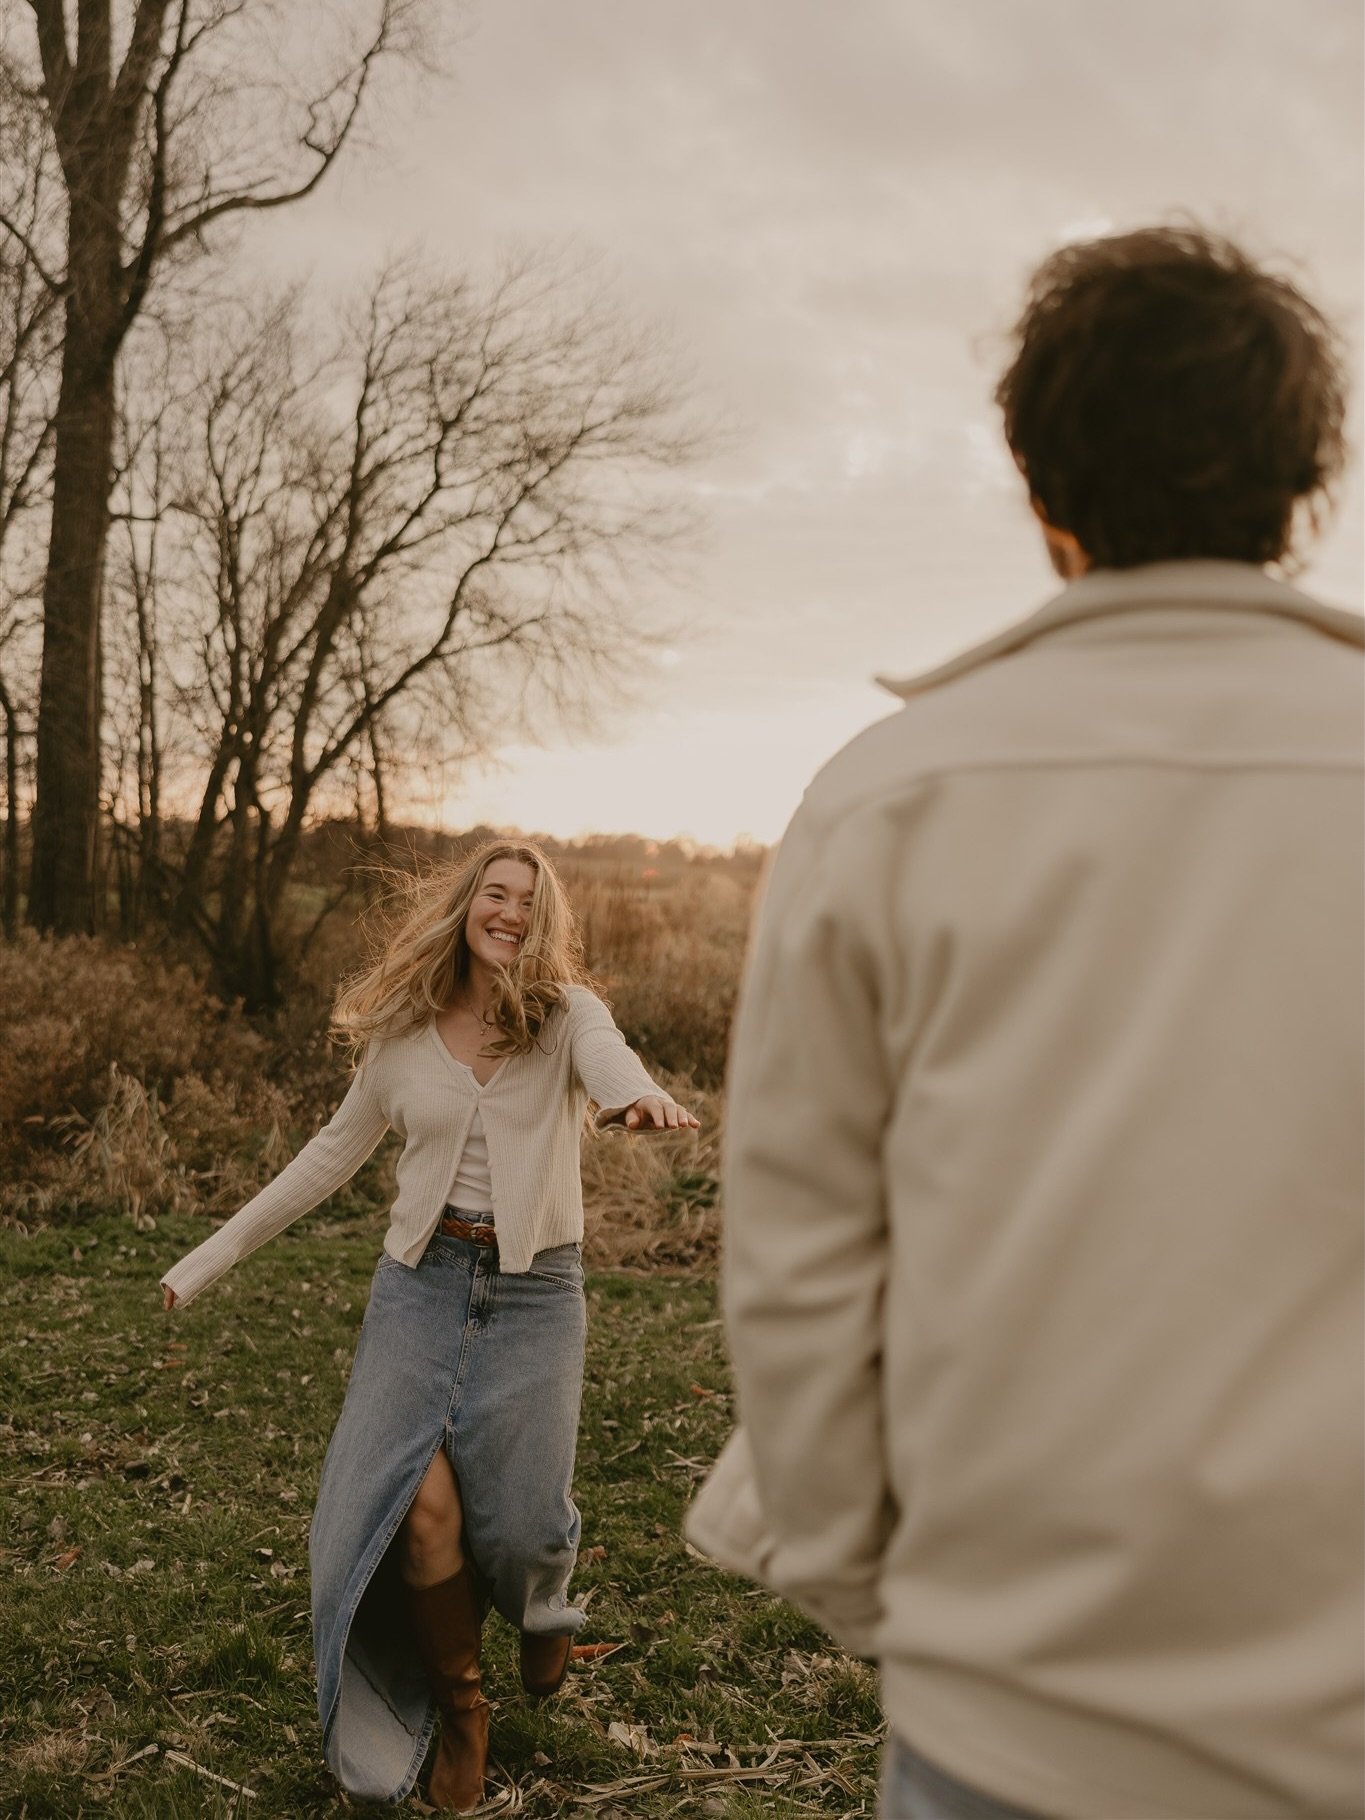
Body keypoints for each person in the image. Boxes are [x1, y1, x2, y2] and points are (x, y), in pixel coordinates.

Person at [686, 225, 1363, 1820]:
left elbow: (794, 1278)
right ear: (1297, 487)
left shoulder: (883, 803)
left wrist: (878, 1604)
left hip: (1008, 1730)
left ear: (1043, 485)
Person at [161, 839, 699, 1813]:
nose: (508, 912)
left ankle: (543, 1608)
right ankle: (461, 1709)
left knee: (529, 1521)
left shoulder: (568, 1015)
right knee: (419, 1508)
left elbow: (610, 1064)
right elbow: (324, 1160)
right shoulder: (403, 1033)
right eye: (494, 893)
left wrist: (637, 1097)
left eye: (528, 902)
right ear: (464, 904)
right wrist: (204, 1260)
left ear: (546, 922)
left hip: (537, 1292)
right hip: (420, 1285)